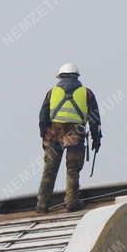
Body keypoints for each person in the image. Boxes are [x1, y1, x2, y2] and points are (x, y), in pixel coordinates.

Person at [36, 63, 102, 213]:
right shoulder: (87, 93)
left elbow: (42, 117)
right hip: (75, 133)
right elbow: (94, 120)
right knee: (73, 169)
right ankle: (72, 202)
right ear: (77, 76)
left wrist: (44, 135)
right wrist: (96, 138)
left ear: (60, 76)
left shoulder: (51, 92)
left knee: (49, 170)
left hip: (54, 133)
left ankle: (42, 205)